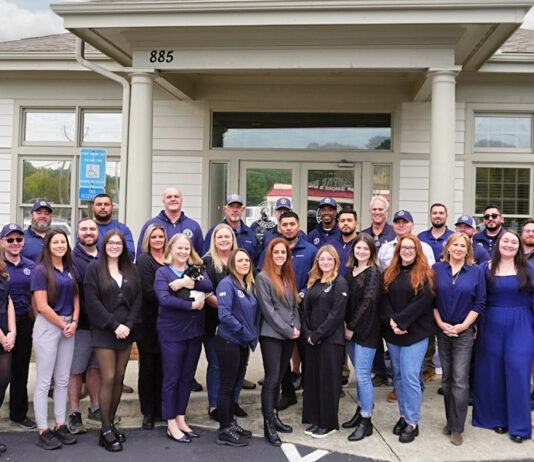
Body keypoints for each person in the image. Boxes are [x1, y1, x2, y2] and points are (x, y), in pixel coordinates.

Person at [473, 230, 533, 443]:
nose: (509, 245)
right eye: (505, 241)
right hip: (491, 323)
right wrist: (474, 325)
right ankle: (495, 418)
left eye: (514, 242)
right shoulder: (484, 268)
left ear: (519, 247)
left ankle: (519, 425)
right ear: (498, 244)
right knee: (492, 371)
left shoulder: (529, 269)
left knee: (518, 370)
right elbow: (477, 298)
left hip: (521, 323)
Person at [84, 230, 142, 452]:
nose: (115, 246)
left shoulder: (131, 268)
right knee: (108, 377)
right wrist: (114, 325)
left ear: (123, 246)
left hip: (126, 330)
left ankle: (110, 425)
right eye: (111, 243)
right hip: (104, 330)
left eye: (118, 243)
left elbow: (138, 299)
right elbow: (92, 301)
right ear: (104, 245)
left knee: (119, 378)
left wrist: (128, 324)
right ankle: (106, 428)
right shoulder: (94, 269)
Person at [154, 234, 213, 444]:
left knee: (187, 378)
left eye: (186, 248)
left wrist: (186, 282)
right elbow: (164, 298)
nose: (183, 252)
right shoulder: (163, 272)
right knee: (172, 378)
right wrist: (190, 305)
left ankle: (180, 417)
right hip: (172, 332)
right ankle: (170, 422)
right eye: (179, 248)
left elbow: (208, 285)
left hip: (194, 332)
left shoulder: (195, 269)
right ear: (171, 249)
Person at [259, 212, 317, 410]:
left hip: (304, 311)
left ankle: (309, 398)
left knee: (307, 356)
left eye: (293, 224)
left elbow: (316, 276)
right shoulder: (272, 249)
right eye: (285, 224)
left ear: (299, 226)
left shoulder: (310, 250)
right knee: (280, 362)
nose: (289, 227)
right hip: (278, 313)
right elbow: (263, 275)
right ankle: (288, 394)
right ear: (279, 227)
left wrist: (302, 293)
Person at [381, 234, 435, 443]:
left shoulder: (425, 274)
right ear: (398, 250)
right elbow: (383, 299)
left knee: (411, 376)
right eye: (404, 248)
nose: (407, 251)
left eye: (411, 248)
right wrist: (392, 322)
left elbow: (422, 303)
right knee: (398, 376)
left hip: (415, 334)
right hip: (394, 333)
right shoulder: (389, 273)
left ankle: (413, 422)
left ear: (417, 251)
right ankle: (403, 415)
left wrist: (400, 321)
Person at [433, 232, 485, 446]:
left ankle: (457, 428)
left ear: (468, 250)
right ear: (448, 247)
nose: (458, 249)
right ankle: (450, 421)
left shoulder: (476, 272)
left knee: (460, 380)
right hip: (443, 330)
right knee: (446, 379)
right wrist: (440, 324)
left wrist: (464, 326)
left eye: (463, 246)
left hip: (464, 332)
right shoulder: (437, 269)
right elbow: (432, 300)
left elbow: (479, 302)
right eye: (455, 244)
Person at [31, 229, 79, 450]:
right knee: (44, 381)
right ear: (48, 246)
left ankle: (60, 424)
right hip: (49, 326)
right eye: (55, 242)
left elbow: (76, 297)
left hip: (69, 326)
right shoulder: (40, 270)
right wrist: (63, 325)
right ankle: (43, 429)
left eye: (63, 242)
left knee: (62, 379)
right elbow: (41, 306)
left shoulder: (70, 268)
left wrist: (74, 321)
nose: (60, 245)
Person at [203, 223, 251, 420]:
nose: (224, 240)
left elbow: (249, 286)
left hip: (240, 324)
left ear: (233, 239)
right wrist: (227, 307)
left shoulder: (240, 259)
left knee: (239, 365)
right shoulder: (206, 262)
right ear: (214, 240)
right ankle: (215, 406)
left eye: (227, 236)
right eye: (219, 237)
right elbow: (205, 293)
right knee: (216, 365)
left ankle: (233, 402)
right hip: (214, 323)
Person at [256, 238, 300, 446]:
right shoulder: (263, 278)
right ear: (270, 255)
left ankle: (274, 416)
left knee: (280, 377)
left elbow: (294, 306)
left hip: (289, 335)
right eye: (276, 252)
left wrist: (296, 327)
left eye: (283, 252)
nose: (280, 255)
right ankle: (268, 424)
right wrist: (288, 330)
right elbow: (268, 311)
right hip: (272, 335)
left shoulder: (287, 276)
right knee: (272, 379)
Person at [301, 245, 348, 439]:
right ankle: (315, 419)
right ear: (317, 262)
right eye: (322, 259)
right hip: (312, 340)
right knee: (313, 381)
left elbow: (336, 314)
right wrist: (308, 333)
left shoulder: (340, 282)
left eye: (329, 259)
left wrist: (317, 335)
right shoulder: (313, 282)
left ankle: (328, 423)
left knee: (328, 382)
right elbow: (305, 311)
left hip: (331, 341)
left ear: (335, 261)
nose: (325, 262)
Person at [215, 248, 259, 447]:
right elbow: (224, 315)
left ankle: (231, 422)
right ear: (232, 264)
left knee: (234, 384)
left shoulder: (247, 284)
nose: (244, 264)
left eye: (247, 260)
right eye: (240, 260)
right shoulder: (226, 284)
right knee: (226, 385)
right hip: (229, 341)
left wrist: (249, 335)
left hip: (242, 342)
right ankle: (224, 429)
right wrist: (245, 333)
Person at [342, 233, 382, 441]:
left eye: (366, 248)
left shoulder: (373, 272)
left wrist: (351, 327)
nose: (361, 251)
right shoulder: (350, 272)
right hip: (349, 330)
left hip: (366, 330)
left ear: (372, 251)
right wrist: (343, 323)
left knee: (364, 376)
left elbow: (368, 301)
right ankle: (360, 410)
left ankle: (367, 420)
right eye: (358, 248)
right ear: (353, 250)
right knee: (359, 374)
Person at [68, 218, 102, 435]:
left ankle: (95, 408)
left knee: (96, 369)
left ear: (98, 232)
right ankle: (74, 412)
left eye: (92, 229)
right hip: (81, 325)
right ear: (77, 233)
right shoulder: (71, 258)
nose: (88, 232)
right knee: (75, 370)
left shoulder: (105, 257)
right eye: (84, 229)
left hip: (103, 326)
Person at [1, 224, 36, 430]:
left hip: (24, 322)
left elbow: (36, 295)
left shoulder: (31, 266)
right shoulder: (0, 266)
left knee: (21, 369)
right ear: (2, 242)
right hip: (1, 322)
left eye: (19, 239)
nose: (15, 243)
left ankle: (18, 414)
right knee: (2, 373)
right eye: (10, 239)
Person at [135, 223, 167, 430]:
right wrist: (172, 297)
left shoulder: (170, 259)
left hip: (168, 322)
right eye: (154, 237)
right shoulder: (144, 260)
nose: (157, 240)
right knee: (148, 367)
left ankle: (160, 409)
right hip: (148, 323)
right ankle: (147, 412)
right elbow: (147, 291)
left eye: (160, 237)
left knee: (164, 367)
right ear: (148, 239)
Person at [418, 203, 454, 383]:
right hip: (427, 288)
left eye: (441, 213)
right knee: (427, 329)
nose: (438, 216)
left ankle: (448, 374)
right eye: (434, 213)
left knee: (445, 331)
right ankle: (428, 367)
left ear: (446, 216)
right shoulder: (421, 237)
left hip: (447, 289)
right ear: (430, 216)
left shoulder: (452, 237)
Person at [137, 187, 204, 255]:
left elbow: (200, 255)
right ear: (163, 201)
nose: (173, 199)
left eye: (176, 196)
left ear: (181, 200)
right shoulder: (150, 225)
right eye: (169, 197)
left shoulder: (193, 226)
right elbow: (141, 253)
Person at [204, 194, 259, 265]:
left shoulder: (250, 233)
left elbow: (256, 260)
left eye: (238, 207)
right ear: (225, 209)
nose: (235, 210)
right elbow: (206, 257)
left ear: (242, 209)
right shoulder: (214, 231)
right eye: (232, 206)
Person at [0, 251, 16, 454]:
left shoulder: (2, 272)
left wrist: (12, 331)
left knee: (3, 381)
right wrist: (2, 336)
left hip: (5, 329)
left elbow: (8, 301)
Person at [91, 193, 135, 260]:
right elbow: (82, 253)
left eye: (106, 204)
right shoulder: (85, 230)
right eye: (99, 204)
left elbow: (130, 255)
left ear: (112, 207)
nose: (102, 207)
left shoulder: (123, 229)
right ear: (92, 207)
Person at [332, 210, 359, 277]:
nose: (345, 223)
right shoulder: (331, 245)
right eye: (342, 221)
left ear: (356, 224)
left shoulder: (363, 246)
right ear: (338, 225)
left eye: (349, 220)